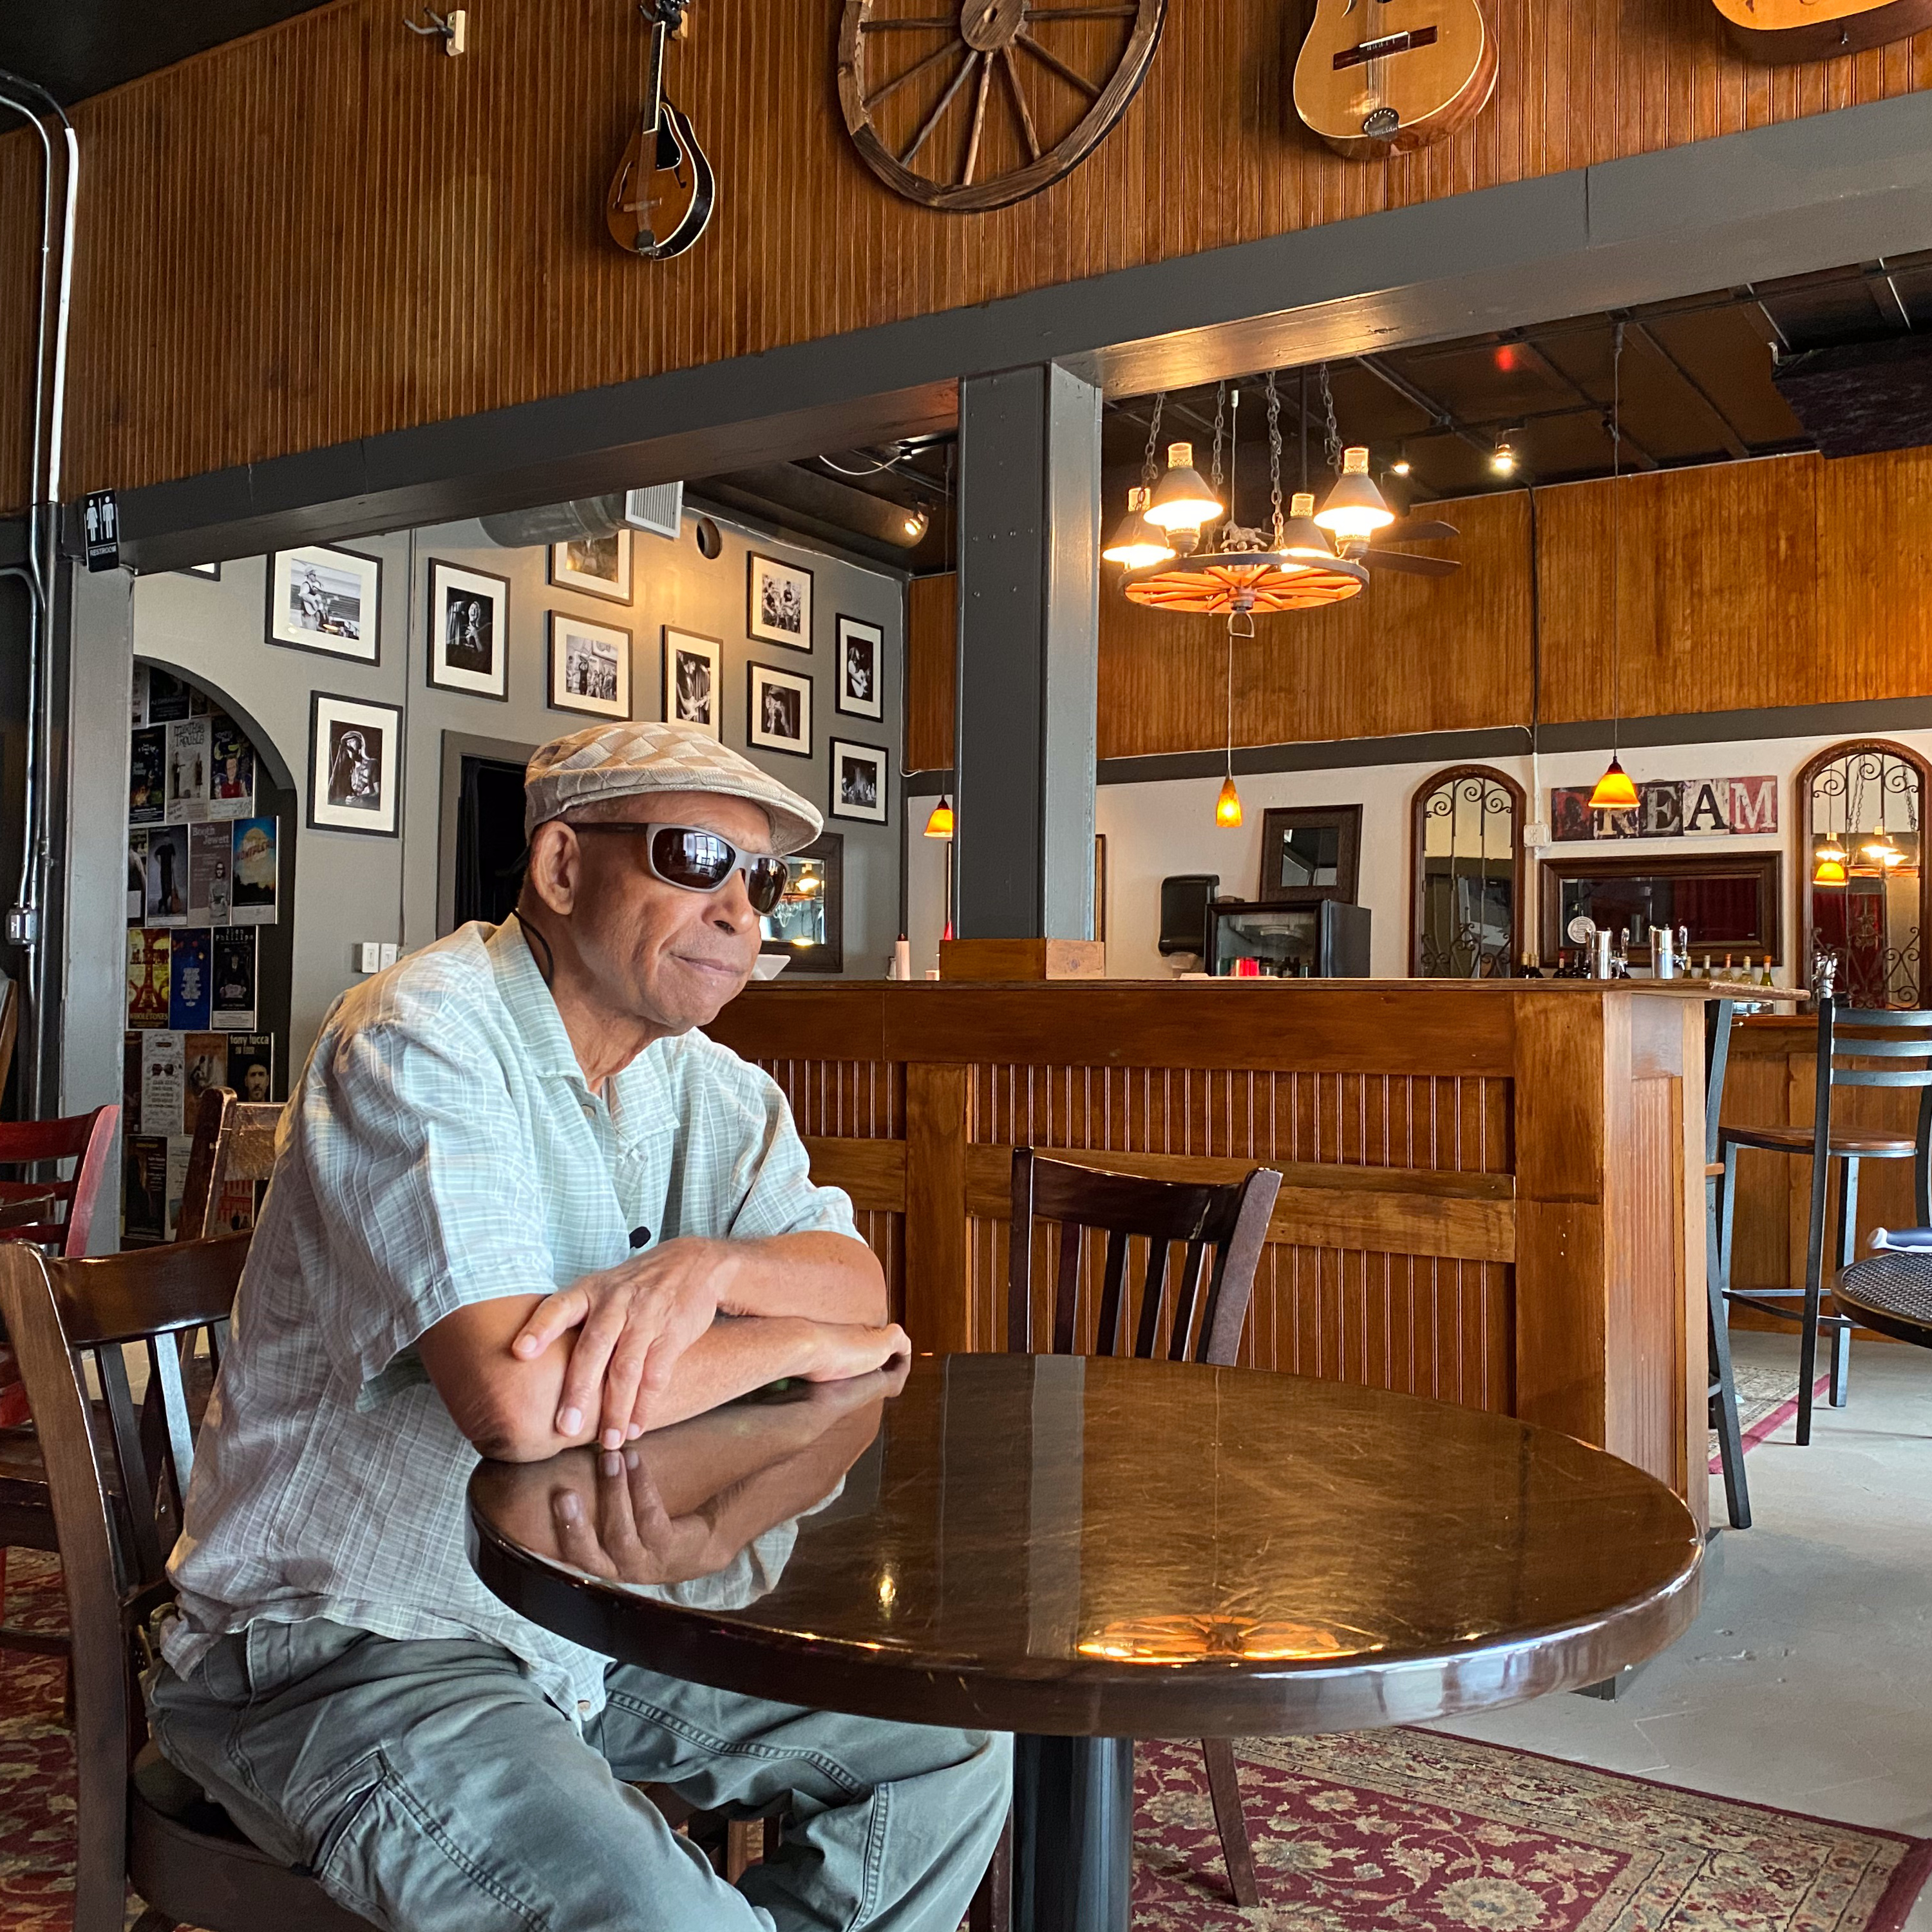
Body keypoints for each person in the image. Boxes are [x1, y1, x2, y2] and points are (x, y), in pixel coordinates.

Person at [147, 721, 1009, 1931]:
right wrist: (799, 1343)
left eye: (763, 880)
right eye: (694, 857)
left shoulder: (715, 1086)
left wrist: (713, 1269)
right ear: (561, 866)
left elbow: (856, 1287)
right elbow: (521, 1408)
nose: (739, 910)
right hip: (346, 1646)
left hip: (585, 1625)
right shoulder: (418, 1034)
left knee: (950, 1744)